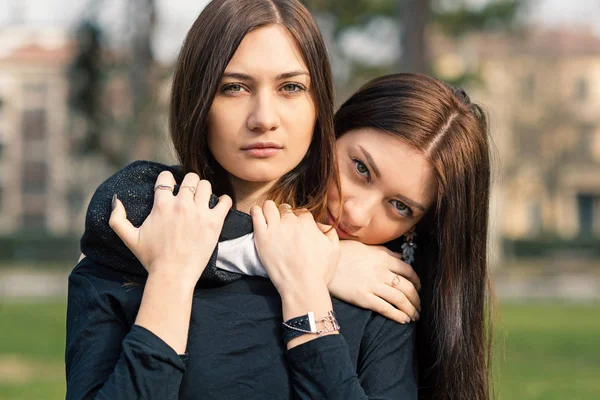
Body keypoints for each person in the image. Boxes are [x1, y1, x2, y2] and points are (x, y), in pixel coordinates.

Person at [66, 1, 418, 399]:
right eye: (234, 87)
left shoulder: (375, 287)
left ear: (319, 103)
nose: (263, 117)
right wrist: (172, 278)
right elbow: (111, 205)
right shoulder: (124, 250)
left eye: (291, 87)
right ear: (197, 98)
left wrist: (311, 284)